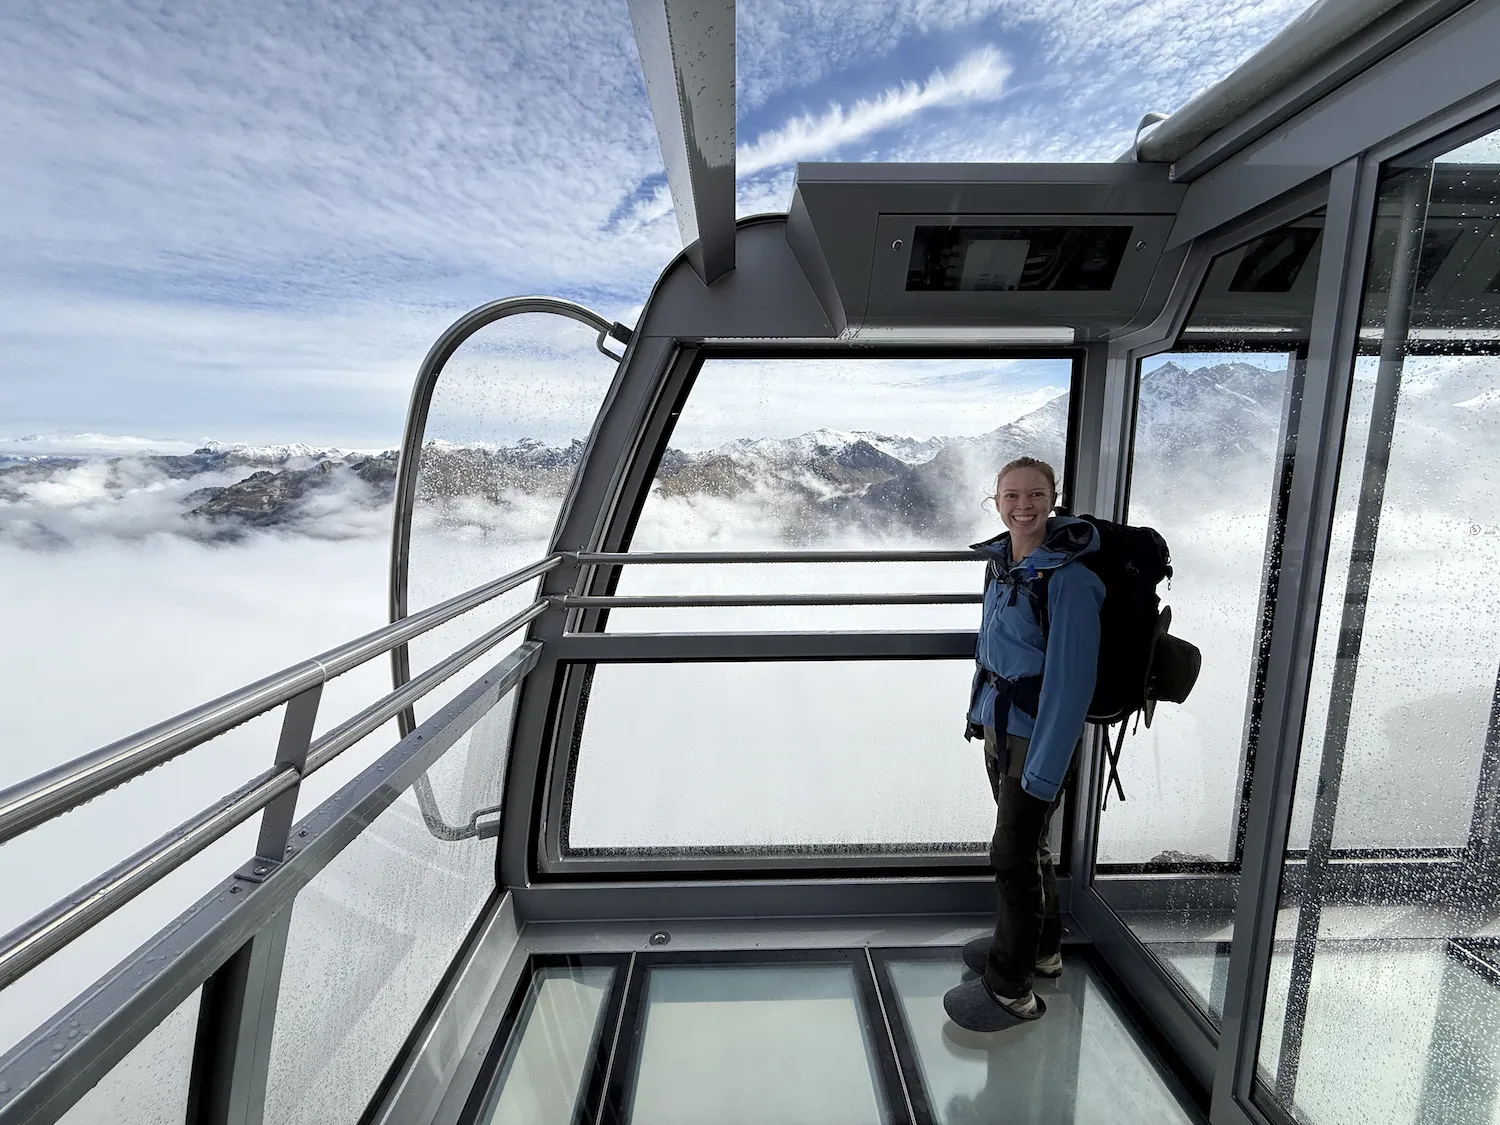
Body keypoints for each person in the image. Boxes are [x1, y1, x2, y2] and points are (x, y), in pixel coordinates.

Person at [943, 455, 1104, 1032]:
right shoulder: (1003, 566)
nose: (1023, 506)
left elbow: (1071, 684)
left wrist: (1044, 769)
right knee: (1030, 849)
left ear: (1053, 499)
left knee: (1011, 855)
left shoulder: (1072, 581)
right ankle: (1041, 950)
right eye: (1011, 496)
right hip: (1000, 725)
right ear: (996, 501)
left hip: (1036, 738)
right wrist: (976, 713)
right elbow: (990, 652)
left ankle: (1011, 989)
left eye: (1035, 495)